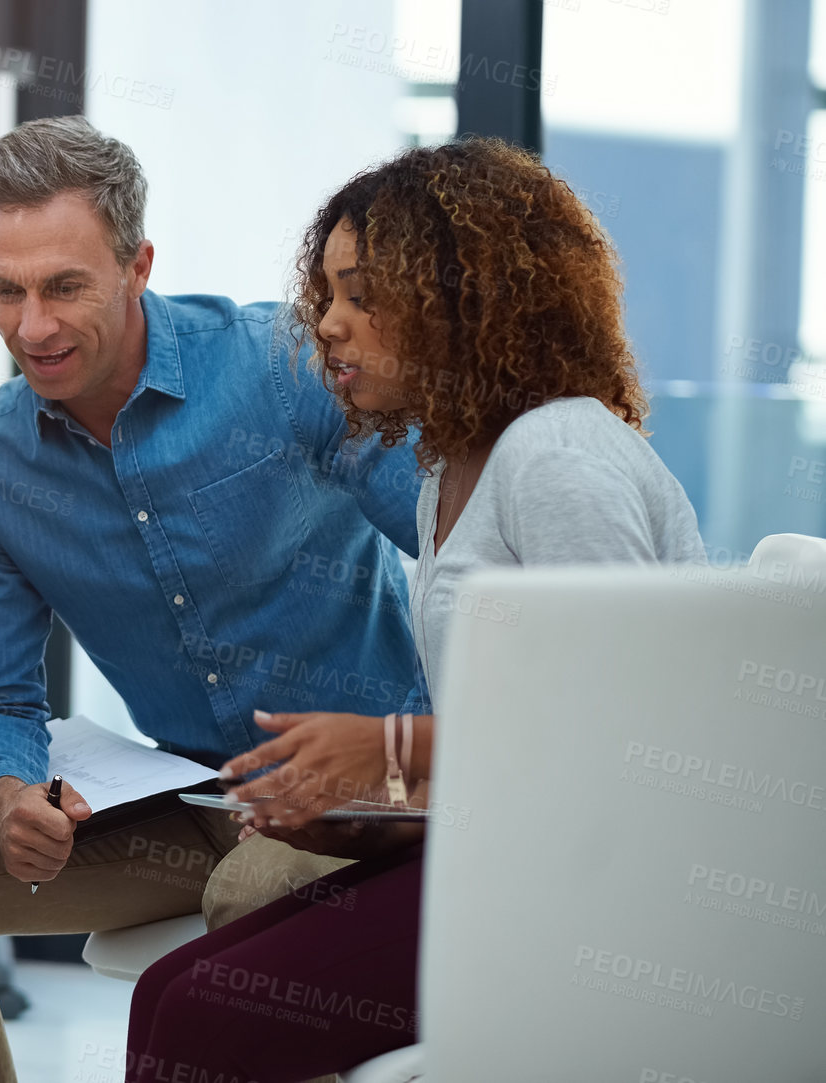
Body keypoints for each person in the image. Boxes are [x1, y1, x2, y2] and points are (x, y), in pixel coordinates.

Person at [0, 115, 431, 1083]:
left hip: (370, 785)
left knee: (251, 898)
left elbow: (452, 544)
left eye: (63, 286)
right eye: (5, 290)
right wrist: (3, 797)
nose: (29, 326)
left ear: (137, 264)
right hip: (189, 801)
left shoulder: (280, 368)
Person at [123, 138, 707, 1083]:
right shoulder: (446, 469)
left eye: (364, 294)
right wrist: (348, 814)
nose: (329, 326)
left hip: (598, 893)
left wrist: (392, 749)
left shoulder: (557, 454)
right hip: (516, 850)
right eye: (328, 296)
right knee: (165, 992)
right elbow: (517, 759)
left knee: (200, 1014)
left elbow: (626, 738)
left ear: (467, 299)